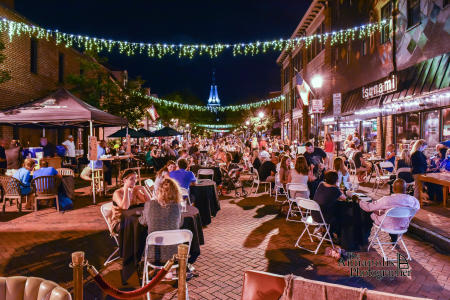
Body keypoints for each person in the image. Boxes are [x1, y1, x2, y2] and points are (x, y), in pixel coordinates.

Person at [139, 177, 182, 265]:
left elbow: (143, 222)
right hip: (174, 257)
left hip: (153, 256)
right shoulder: (178, 207)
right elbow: (180, 224)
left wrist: (142, 215)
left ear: (158, 191)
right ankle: (170, 271)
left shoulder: (149, 204)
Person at [312, 170, 346, 236]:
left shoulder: (321, 184)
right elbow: (345, 198)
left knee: (332, 208)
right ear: (336, 180)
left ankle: (323, 229)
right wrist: (342, 192)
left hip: (314, 215)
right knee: (340, 213)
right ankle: (334, 233)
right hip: (323, 217)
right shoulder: (335, 190)